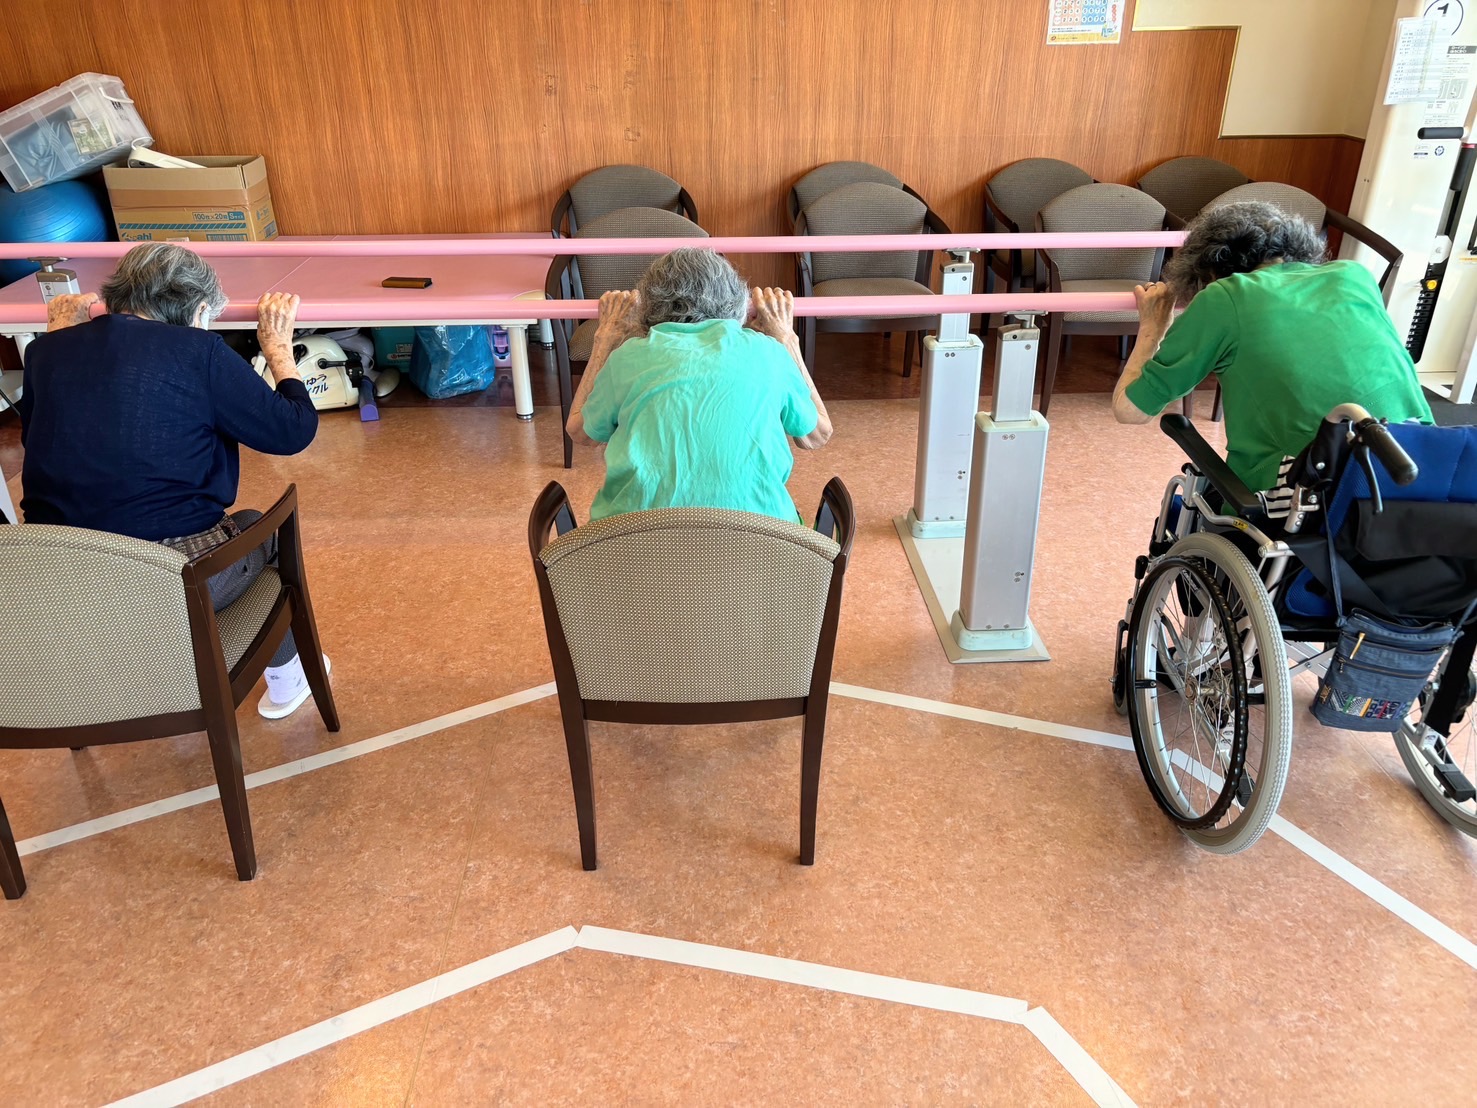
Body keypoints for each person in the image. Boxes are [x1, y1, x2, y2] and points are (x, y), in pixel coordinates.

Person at [18, 242, 327, 719]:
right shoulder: (198, 351)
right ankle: (289, 679)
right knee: (256, 527)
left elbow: (36, 431)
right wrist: (279, 351)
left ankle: (149, 675)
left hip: (63, 583)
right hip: (168, 582)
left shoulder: (46, 349)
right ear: (199, 311)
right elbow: (292, 431)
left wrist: (57, 336)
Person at [1112, 200, 1432, 494]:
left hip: (1312, 489)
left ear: (1209, 269)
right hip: (1423, 465)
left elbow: (1130, 410)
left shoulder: (1224, 297)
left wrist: (1152, 326)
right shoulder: (1354, 276)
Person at [565, 247, 832, 523]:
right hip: (759, 543)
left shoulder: (626, 357)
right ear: (737, 301)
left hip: (637, 544)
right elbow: (817, 435)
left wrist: (605, 339)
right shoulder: (770, 353)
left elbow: (580, 432)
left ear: (650, 304)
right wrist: (787, 339)